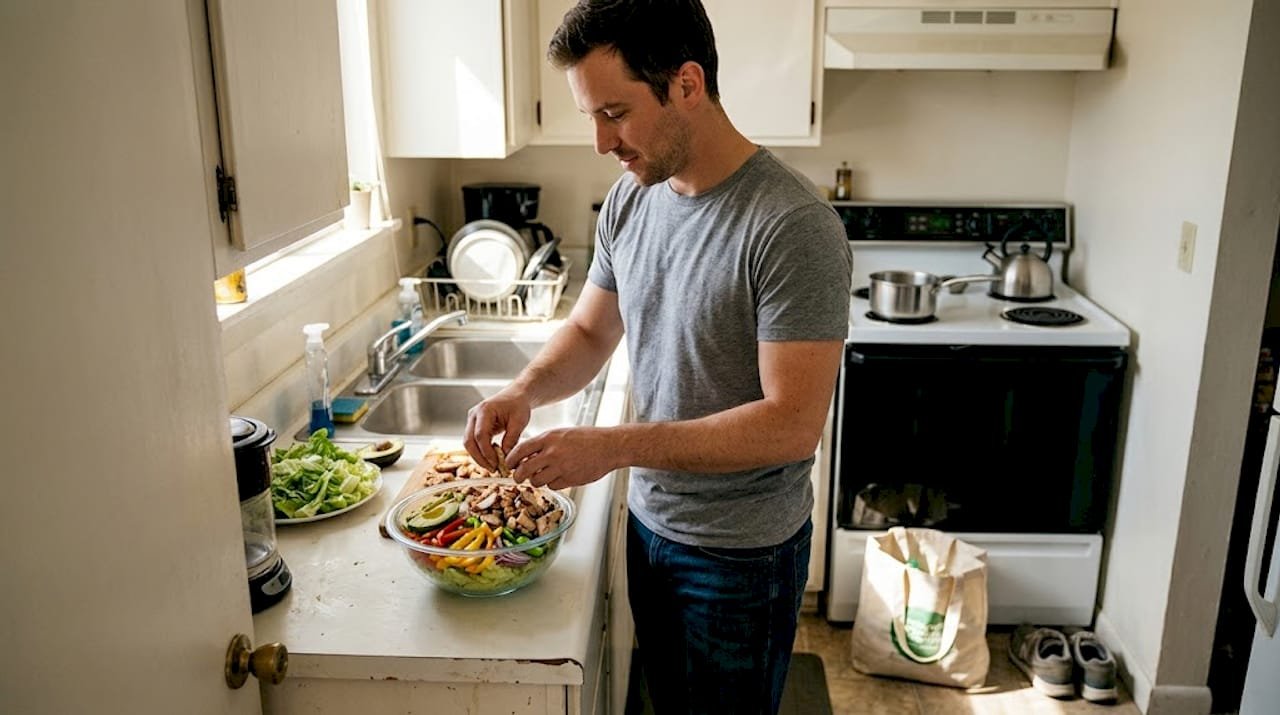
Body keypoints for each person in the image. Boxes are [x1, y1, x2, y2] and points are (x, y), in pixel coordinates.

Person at [464, 1, 851, 712]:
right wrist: (523, 389)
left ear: (687, 84)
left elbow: (790, 424)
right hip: (653, 530)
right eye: (592, 116)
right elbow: (588, 333)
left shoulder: (792, 225)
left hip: (742, 558)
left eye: (615, 112)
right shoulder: (629, 202)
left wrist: (612, 447)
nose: (600, 141)